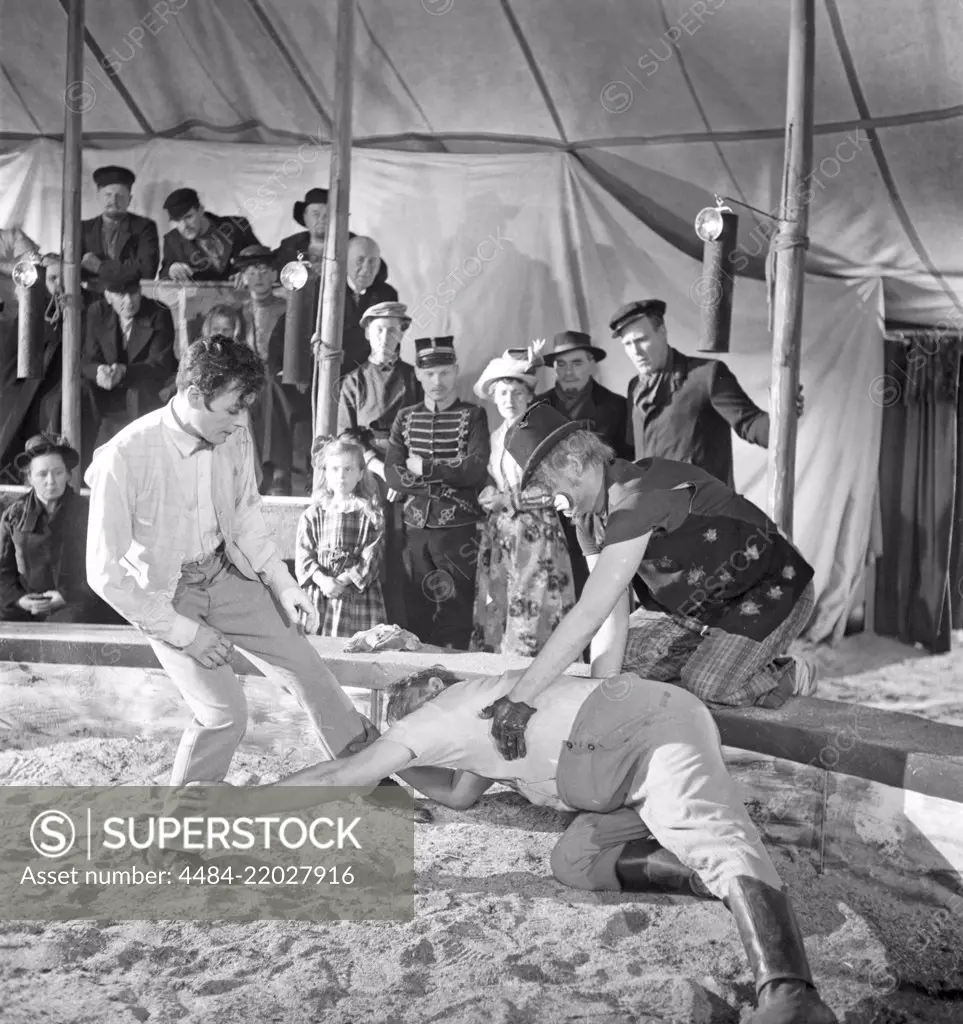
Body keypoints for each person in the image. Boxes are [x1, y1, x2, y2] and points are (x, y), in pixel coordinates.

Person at [271, 664, 838, 1024]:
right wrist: (397, 770)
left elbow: (339, 778)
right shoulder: (464, 734)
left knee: (708, 829)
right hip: (612, 785)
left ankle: (790, 994)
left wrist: (242, 806)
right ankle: (711, 882)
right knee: (574, 860)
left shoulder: (436, 717)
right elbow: (459, 795)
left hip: (641, 727)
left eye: (401, 729)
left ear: (413, 714)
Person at [84, 335, 374, 786]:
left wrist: (285, 583)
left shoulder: (234, 436)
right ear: (195, 395)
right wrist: (186, 634)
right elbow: (104, 574)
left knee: (308, 667)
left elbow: (245, 520)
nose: (242, 420)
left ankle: (368, 773)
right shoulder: (123, 456)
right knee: (224, 715)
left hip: (226, 572)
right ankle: (181, 836)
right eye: (233, 406)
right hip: (166, 597)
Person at [479, 402, 816, 732]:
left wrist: (521, 697)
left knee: (707, 686)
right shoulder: (587, 517)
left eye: (547, 487)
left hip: (774, 587)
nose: (549, 500)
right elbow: (608, 614)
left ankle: (784, 674)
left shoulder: (636, 499)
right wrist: (600, 711)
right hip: (695, 609)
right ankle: (720, 658)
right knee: (623, 667)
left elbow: (588, 613)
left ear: (572, 464)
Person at [616, 299, 804, 488]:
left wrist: (784, 412)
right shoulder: (635, 388)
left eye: (641, 340)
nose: (635, 351)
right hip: (654, 511)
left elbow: (750, 423)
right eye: (628, 344)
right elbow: (634, 452)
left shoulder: (706, 375)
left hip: (702, 510)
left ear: (662, 332)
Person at [385, 336, 489, 649]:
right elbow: (393, 474)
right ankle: (418, 673)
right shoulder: (405, 417)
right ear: (417, 373)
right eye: (429, 374)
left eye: (444, 372)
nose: (437, 381)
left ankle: (453, 676)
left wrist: (427, 468)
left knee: (455, 603)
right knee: (417, 602)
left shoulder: (473, 416)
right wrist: (445, 477)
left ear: (456, 371)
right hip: (416, 526)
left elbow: (475, 468)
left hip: (458, 529)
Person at [470, 346, 575, 656]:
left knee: (534, 605)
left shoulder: (541, 432)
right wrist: (490, 491)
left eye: (516, 393)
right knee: (499, 602)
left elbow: (556, 487)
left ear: (530, 396)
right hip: (502, 534)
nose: (509, 400)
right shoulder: (495, 436)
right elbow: (495, 478)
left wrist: (508, 498)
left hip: (536, 534)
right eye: (502, 393)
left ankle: (534, 672)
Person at [337, 300, 422, 628]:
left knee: (404, 551)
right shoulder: (353, 381)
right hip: (368, 472)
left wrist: (401, 474)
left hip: (406, 473)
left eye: (393, 329)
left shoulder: (414, 379)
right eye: (379, 329)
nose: (386, 336)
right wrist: (376, 466)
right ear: (369, 334)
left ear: (402, 334)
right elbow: (346, 435)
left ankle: (405, 626)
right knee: (369, 546)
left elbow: (422, 428)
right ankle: (367, 625)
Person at [535, 330, 631, 599]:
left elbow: (625, 458)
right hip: (554, 514)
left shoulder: (616, 406)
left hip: (600, 513)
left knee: (608, 587)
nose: (568, 371)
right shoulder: (538, 406)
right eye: (561, 364)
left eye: (576, 363)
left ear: (591, 363)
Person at [0, 435, 108, 622]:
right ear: (29, 478)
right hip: (26, 607)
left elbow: (105, 566)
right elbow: (3, 570)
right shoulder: (14, 516)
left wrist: (66, 596)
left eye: (58, 472)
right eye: (42, 474)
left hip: (76, 603)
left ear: (68, 474)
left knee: (72, 621)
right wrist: (19, 601)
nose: (51, 481)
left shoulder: (89, 513)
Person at [295, 436, 386, 637]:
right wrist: (323, 581)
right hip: (321, 594)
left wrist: (342, 582)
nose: (341, 476)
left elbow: (370, 560)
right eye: (335, 469)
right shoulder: (313, 515)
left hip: (356, 596)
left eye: (348, 469)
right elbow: (304, 557)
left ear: (361, 473)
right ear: (325, 473)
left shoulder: (370, 515)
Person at [81, 265, 176, 447]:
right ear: (108, 296)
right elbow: (88, 358)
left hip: (143, 391)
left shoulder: (158, 312)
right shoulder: (97, 312)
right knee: (83, 391)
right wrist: (99, 371)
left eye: (133, 293)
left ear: (140, 291)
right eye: (120, 295)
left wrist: (124, 371)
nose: (129, 301)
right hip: (106, 393)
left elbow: (161, 365)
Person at [235, 245, 298, 495]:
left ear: (274, 275)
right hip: (245, 381)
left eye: (264, 270)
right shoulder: (238, 312)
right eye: (252, 271)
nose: (258, 277)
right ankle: (249, 475)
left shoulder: (287, 309)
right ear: (243, 277)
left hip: (280, 383)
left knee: (271, 388)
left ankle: (277, 471)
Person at [273, 187, 390, 287]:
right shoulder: (290, 244)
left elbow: (380, 273)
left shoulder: (355, 243)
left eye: (328, 214)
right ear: (305, 217)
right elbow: (270, 271)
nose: (322, 219)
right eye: (315, 214)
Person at [80, 166, 160, 293]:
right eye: (108, 195)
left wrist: (100, 268)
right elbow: (75, 270)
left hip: (130, 300)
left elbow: (147, 271)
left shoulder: (144, 227)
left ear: (129, 199)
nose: (113, 201)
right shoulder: (83, 228)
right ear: (98, 196)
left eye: (120, 196)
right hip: (92, 303)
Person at [159, 188, 261, 282]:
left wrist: (247, 272)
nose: (184, 226)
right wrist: (171, 271)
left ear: (200, 210)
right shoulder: (172, 240)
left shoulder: (237, 226)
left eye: (188, 217)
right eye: (177, 221)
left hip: (242, 298)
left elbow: (262, 258)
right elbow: (163, 278)